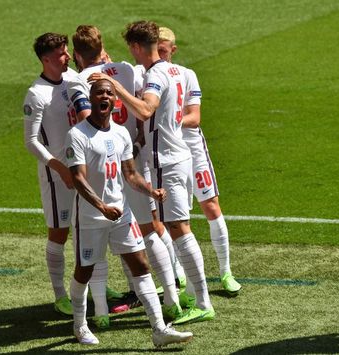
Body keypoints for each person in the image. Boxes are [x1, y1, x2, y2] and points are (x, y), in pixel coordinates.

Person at [88, 20, 215, 324]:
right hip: (178, 156)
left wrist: (115, 86)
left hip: (167, 162)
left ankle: (202, 301)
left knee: (179, 229)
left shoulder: (156, 74)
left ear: (135, 47)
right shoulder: (172, 70)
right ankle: (192, 295)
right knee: (176, 228)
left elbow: (146, 110)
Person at [65, 78, 193, 347]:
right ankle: (80, 325)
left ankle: (158, 329)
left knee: (141, 266)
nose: (105, 96)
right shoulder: (78, 135)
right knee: (84, 272)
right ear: (92, 99)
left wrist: (151, 192)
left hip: (121, 214)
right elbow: (77, 177)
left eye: (109, 93)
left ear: (115, 101)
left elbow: (130, 173)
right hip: (91, 219)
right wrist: (101, 206)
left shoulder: (121, 133)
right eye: (99, 92)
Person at [68, 25, 183, 322]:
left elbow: (88, 121)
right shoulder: (127, 69)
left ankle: (101, 313)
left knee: (99, 242)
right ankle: (171, 300)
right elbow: (143, 104)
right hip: (134, 156)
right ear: (102, 46)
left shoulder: (79, 79)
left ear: (77, 55)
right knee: (151, 231)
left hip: (105, 166)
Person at [23, 32, 116, 318]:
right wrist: (58, 167)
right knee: (60, 234)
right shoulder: (36, 93)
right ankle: (60, 295)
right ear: (47, 58)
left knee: (89, 229)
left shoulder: (74, 79)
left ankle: (95, 283)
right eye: (63, 54)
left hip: (83, 169)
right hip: (57, 176)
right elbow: (31, 141)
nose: (68, 56)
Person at [157, 27, 242, 298]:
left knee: (210, 205)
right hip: (167, 153)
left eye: (164, 48)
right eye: (155, 48)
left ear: (173, 49)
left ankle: (226, 271)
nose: (160, 52)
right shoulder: (147, 76)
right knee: (172, 216)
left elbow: (194, 117)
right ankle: (179, 274)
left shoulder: (186, 74)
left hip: (192, 148)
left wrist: (167, 122)